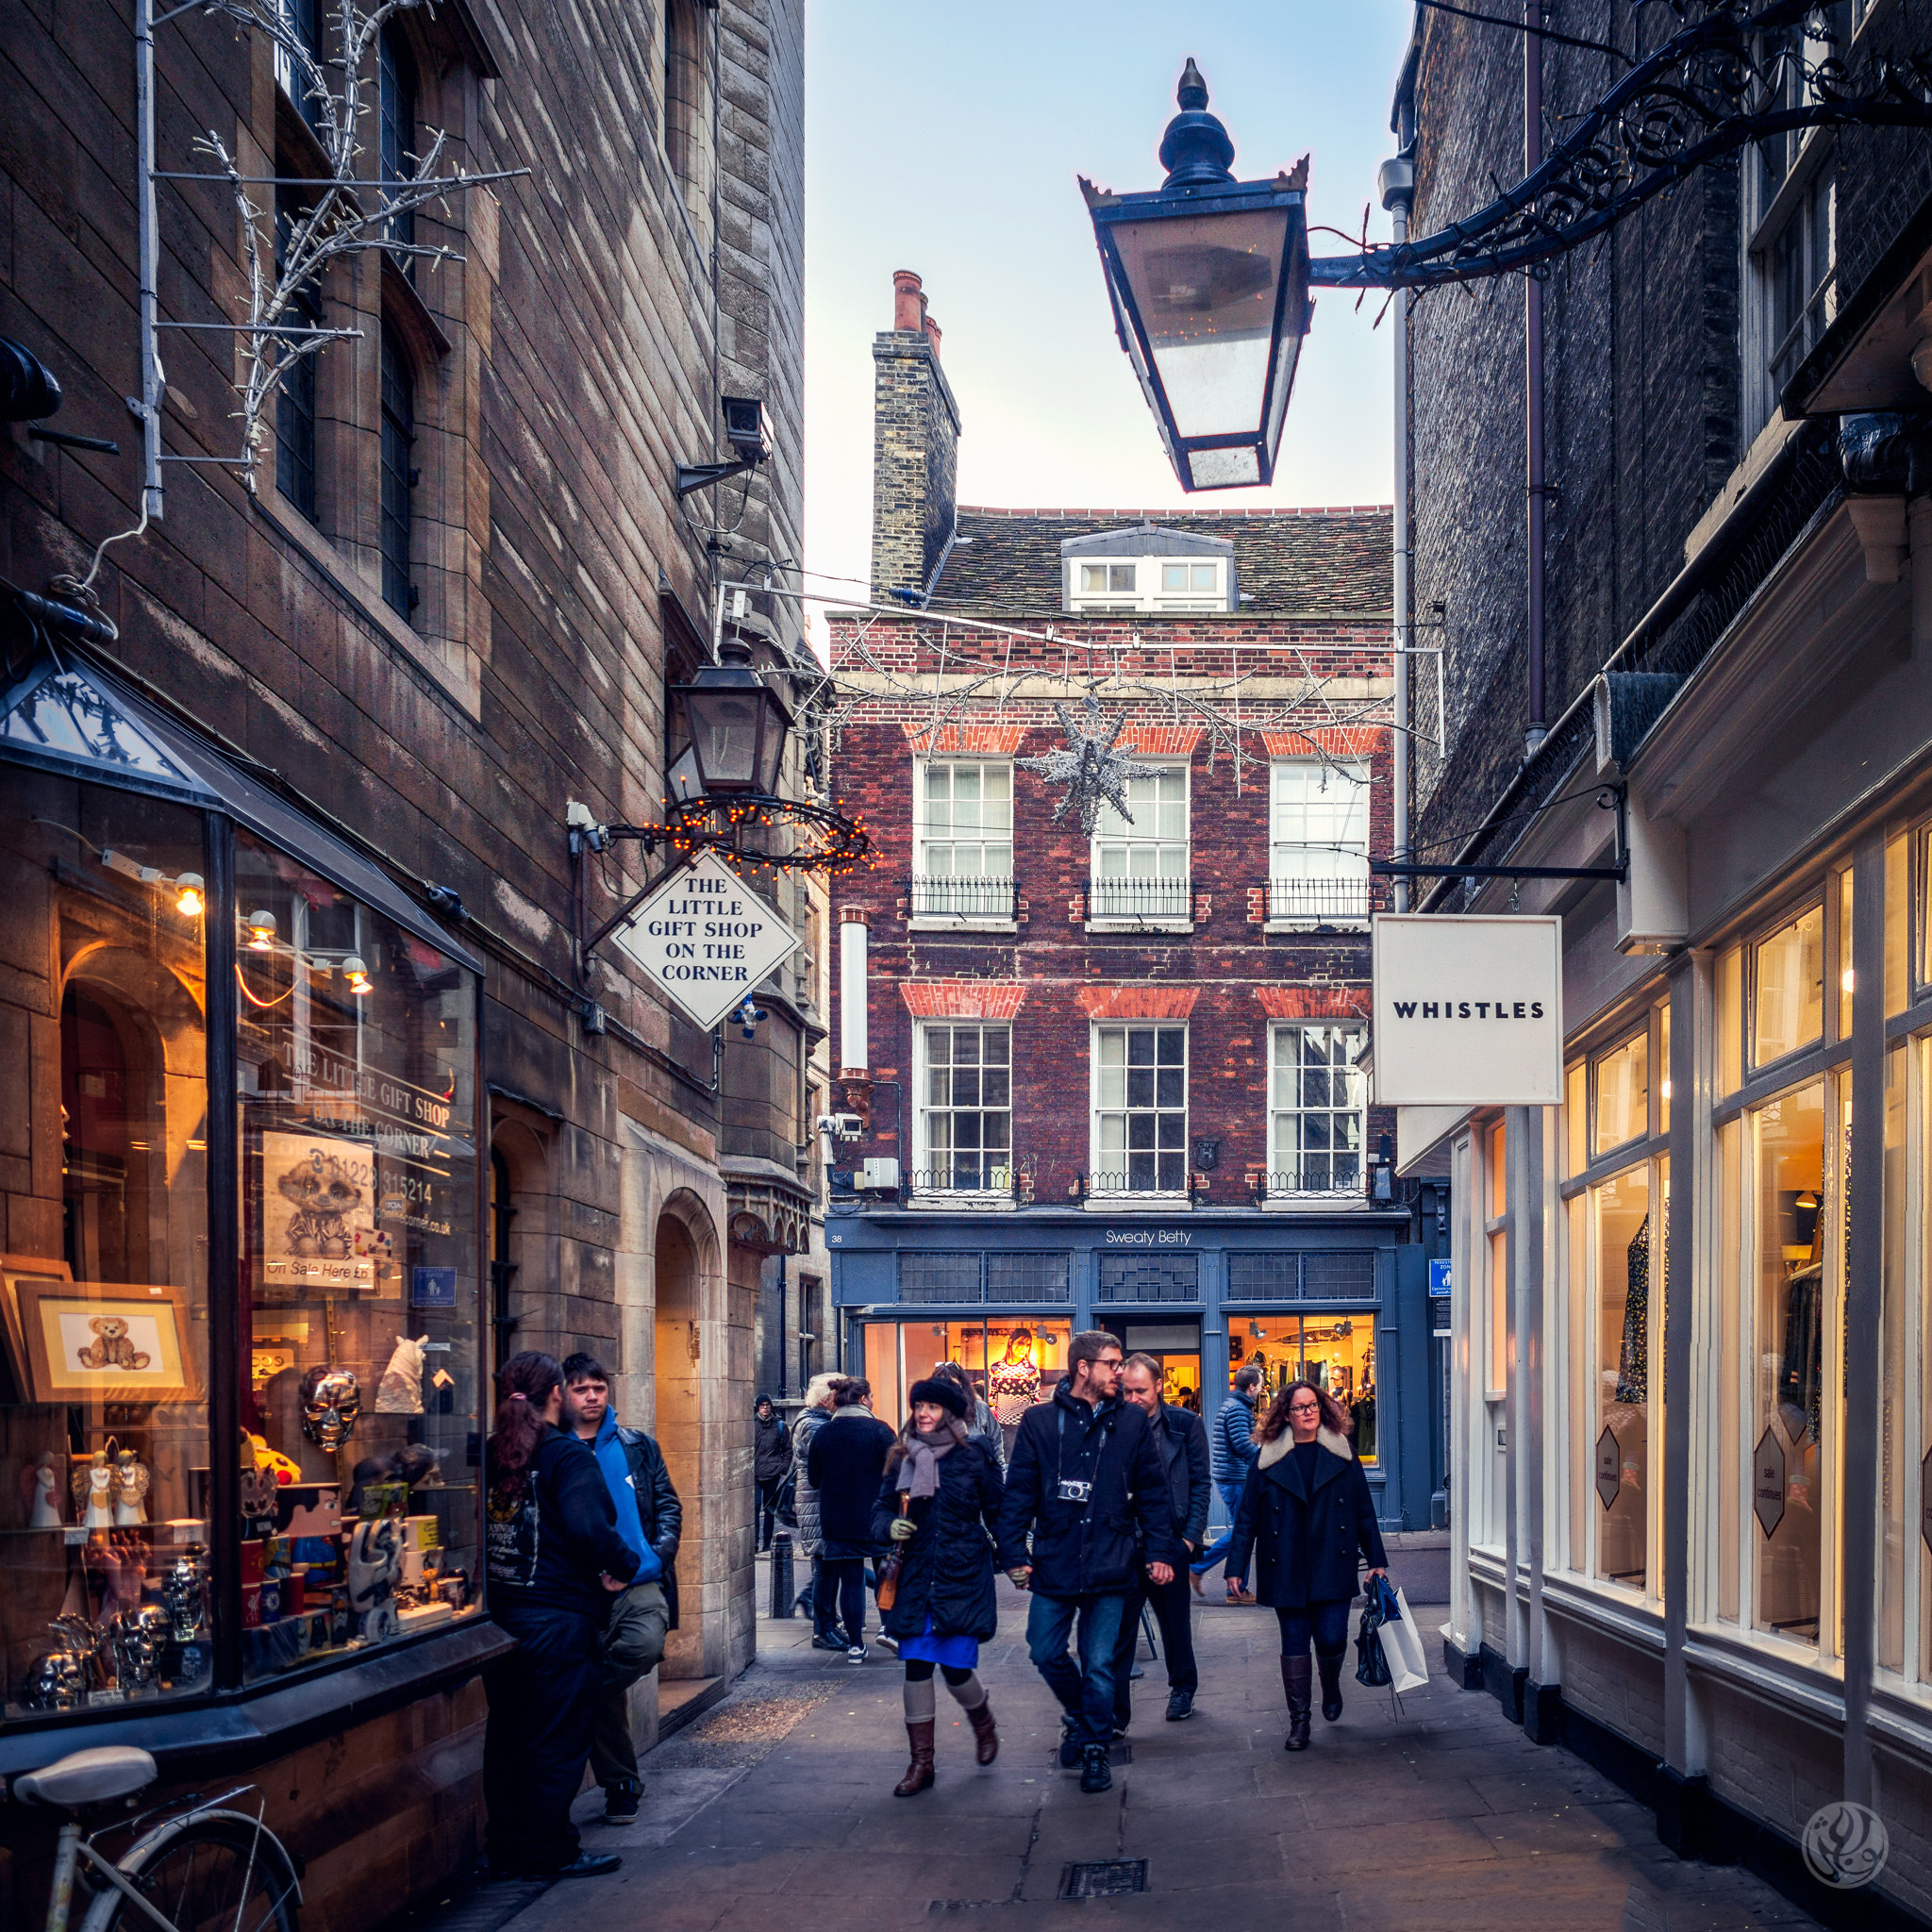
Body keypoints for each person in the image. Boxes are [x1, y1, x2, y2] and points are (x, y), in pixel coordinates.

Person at [994, 1330, 1181, 1794]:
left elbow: (1155, 1494)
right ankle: (1081, 1716)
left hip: (1113, 1562)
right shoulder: (1039, 1423)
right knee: (1044, 1648)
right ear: (1084, 1368)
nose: (1121, 1372)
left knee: (1099, 1663)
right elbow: (1017, 1494)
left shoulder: (1133, 1424)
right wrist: (1013, 1553)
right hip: (1056, 1559)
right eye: (1112, 1364)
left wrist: (1159, 1552)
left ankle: (1096, 1749)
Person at [481, 1351, 641, 1880]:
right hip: (557, 1620)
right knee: (555, 1742)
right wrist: (625, 1564)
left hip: (500, 1617)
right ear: (556, 1395)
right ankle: (549, 1851)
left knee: (507, 1739)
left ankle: (505, 1848)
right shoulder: (567, 1457)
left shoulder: (493, 1453)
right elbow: (590, 1529)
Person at [1224, 1378, 1389, 1753]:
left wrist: (1377, 1560)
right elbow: (1247, 1515)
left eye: (1313, 1405)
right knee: (1295, 1640)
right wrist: (1236, 1567)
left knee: (1331, 1637)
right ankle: (1300, 1722)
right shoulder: (1268, 1458)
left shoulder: (1341, 1452)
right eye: (1300, 1407)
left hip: (1333, 1558)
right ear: (1286, 1414)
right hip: (1285, 1564)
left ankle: (1330, 1685)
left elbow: (1364, 1509)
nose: (1308, 1412)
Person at [559, 1352, 679, 1827]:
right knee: (598, 1682)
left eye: (599, 1388)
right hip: (578, 1590)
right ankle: (622, 1785)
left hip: (638, 1578)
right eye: (581, 1389)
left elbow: (668, 1508)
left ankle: (571, 1701)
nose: (592, 1396)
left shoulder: (637, 1446)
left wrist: (647, 1562)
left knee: (643, 1645)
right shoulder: (554, 1449)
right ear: (563, 1395)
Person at [870, 1376, 1005, 1795]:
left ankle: (983, 1723)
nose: (923, 1414)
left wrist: (1018, 1558)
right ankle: (921, 1764)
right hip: (914, 1576)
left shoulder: (975, 1454)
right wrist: (888, 1525)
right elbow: (878, 1510)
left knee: (957, 1668)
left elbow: (999, 1510)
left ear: (950, 1411)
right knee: (916, 1664)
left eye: (931, 1407)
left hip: (961, 1573)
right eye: (918, 1407)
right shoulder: (900, 1456)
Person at [1111, 1353, 1210, 1726]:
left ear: (1159, 1386)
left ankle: (1183, 1689)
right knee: (1121, 1631)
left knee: (1174, 1625)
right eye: (1127, 1391)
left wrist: (1188, 1539)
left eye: (1140, 1391)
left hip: (1170, 1540)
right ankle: (1118, 1715)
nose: (1133, 1398)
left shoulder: (1184, 1424)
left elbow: (1201, 1483)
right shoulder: (1114, 1423)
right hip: (1125, 1543)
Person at [807, 1376, 897, 1661]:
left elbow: (814, 1479)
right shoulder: (881, 1431)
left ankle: (856, 1645)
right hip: (876, 1518)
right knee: (886, 1576)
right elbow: (898, 1474)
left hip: (838, 1519)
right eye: (871, 1396)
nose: (873, 1401)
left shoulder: (823, 1434)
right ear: (862, 1399)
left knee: (851, 1582)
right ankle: (888, 1629)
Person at [1191, 1363, 1262, 1605]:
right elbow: (1242, 1445)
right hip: (1235, 1478)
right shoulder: (1238, 1409)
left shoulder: (1235, 1406)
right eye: (1260, 1384)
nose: (1262, 1389)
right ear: (1251, 1386)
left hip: (1232, 1477)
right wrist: (1266, 1460)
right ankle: (1199, 1567)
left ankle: (1237, 1589)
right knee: (1243, 1531)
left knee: (1243, 1530)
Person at [791, 1372, 841, 1647]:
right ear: (825, 1399)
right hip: (816, 1504)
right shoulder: (813, 1425)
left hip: (819, 1502)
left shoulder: (818, 1421)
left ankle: (828, 1624)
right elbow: (830, 1461)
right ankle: (823, 1630)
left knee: (829, 1566)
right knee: (824, 1567)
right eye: (837, 1396)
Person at [932, 1358, 1004, 1472]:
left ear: (962, 1385)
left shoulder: (980, 1409)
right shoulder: (928, 1415)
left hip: (977, 1480)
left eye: (952, 1385)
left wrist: (1000, 1479)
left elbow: (997, 1448)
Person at [753, 1394, 791, 1551]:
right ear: (758, 1408)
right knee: (754, 1508)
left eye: (767, 1405)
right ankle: (754, 1543)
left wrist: (782, 1468)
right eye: (762, 1405)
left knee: (769, 1509)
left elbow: (788, 1449)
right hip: (754, 1473)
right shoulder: (751, 1425)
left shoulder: (780, 1425)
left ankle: (767, 1543)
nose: (765, 1408)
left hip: (773, 1473)